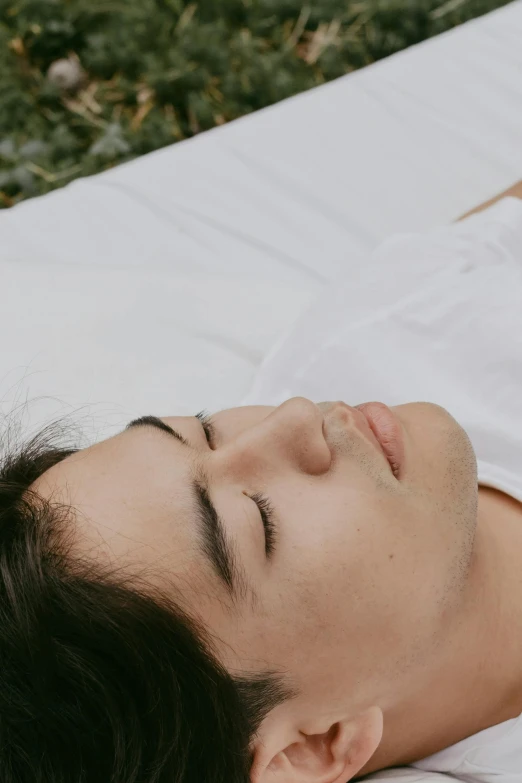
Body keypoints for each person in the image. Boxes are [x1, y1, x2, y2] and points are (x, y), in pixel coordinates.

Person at [2, 181, 522, 783]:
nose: (296, 417)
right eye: (260, 519)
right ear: (312, 747)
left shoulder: (372, 335)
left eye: (204, 431)